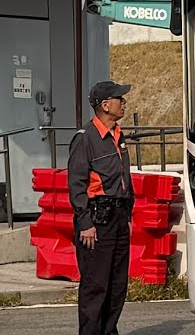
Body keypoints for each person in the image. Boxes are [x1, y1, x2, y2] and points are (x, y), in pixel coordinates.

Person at [67, 80, 135, 335]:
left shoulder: (118, 135)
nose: (124, 103)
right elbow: (76, 184)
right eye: (119, 99)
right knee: (96, 286)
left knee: (117, 285)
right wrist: (85, 222)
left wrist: (127, 215)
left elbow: (124, 180)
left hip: (119, 217)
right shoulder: (85, 138)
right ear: (105, 105)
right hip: (97, 220)